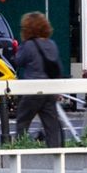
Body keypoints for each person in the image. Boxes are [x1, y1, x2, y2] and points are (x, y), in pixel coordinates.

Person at [10, 12, 68, 146]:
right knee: (51, 126)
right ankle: (55, 155)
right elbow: (57, 66)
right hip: (49, 91)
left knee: (23, 122)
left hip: (33, 91)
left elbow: (18, 61)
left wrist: (17, 49)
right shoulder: (52, 44)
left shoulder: (29, 45)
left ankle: (20, 149)